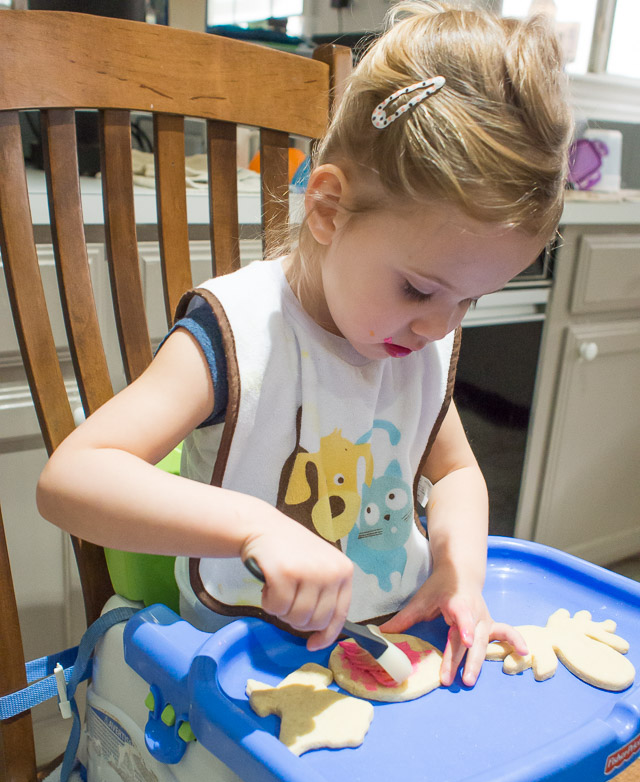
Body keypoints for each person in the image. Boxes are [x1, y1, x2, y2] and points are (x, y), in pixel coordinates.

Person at [37, 0, 573, 688]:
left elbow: (459, 473)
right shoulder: (235, 335)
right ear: (325, 208)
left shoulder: (420, 345)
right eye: (418, 289)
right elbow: (70, 480)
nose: (441, 326)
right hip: (238, 672)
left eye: (469, 300)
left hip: (382, 641)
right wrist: (252, 527)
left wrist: (457, 572)